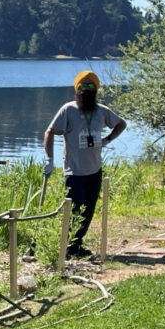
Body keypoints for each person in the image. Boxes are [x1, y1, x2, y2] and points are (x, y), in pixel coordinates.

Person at [43, 71, 127, 259]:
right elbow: (49, 132)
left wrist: (107, 140)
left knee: (88, 210)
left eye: (90, 86)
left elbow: (121, 124)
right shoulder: (68, 110)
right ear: (77, 89)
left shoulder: (102, 111)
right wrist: (49, 159)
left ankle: (76, 247)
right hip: (74, 172)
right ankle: (65, 247)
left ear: (96, 90)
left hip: (94, 171)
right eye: (83, 86)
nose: (86, 90)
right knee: (74, 210)